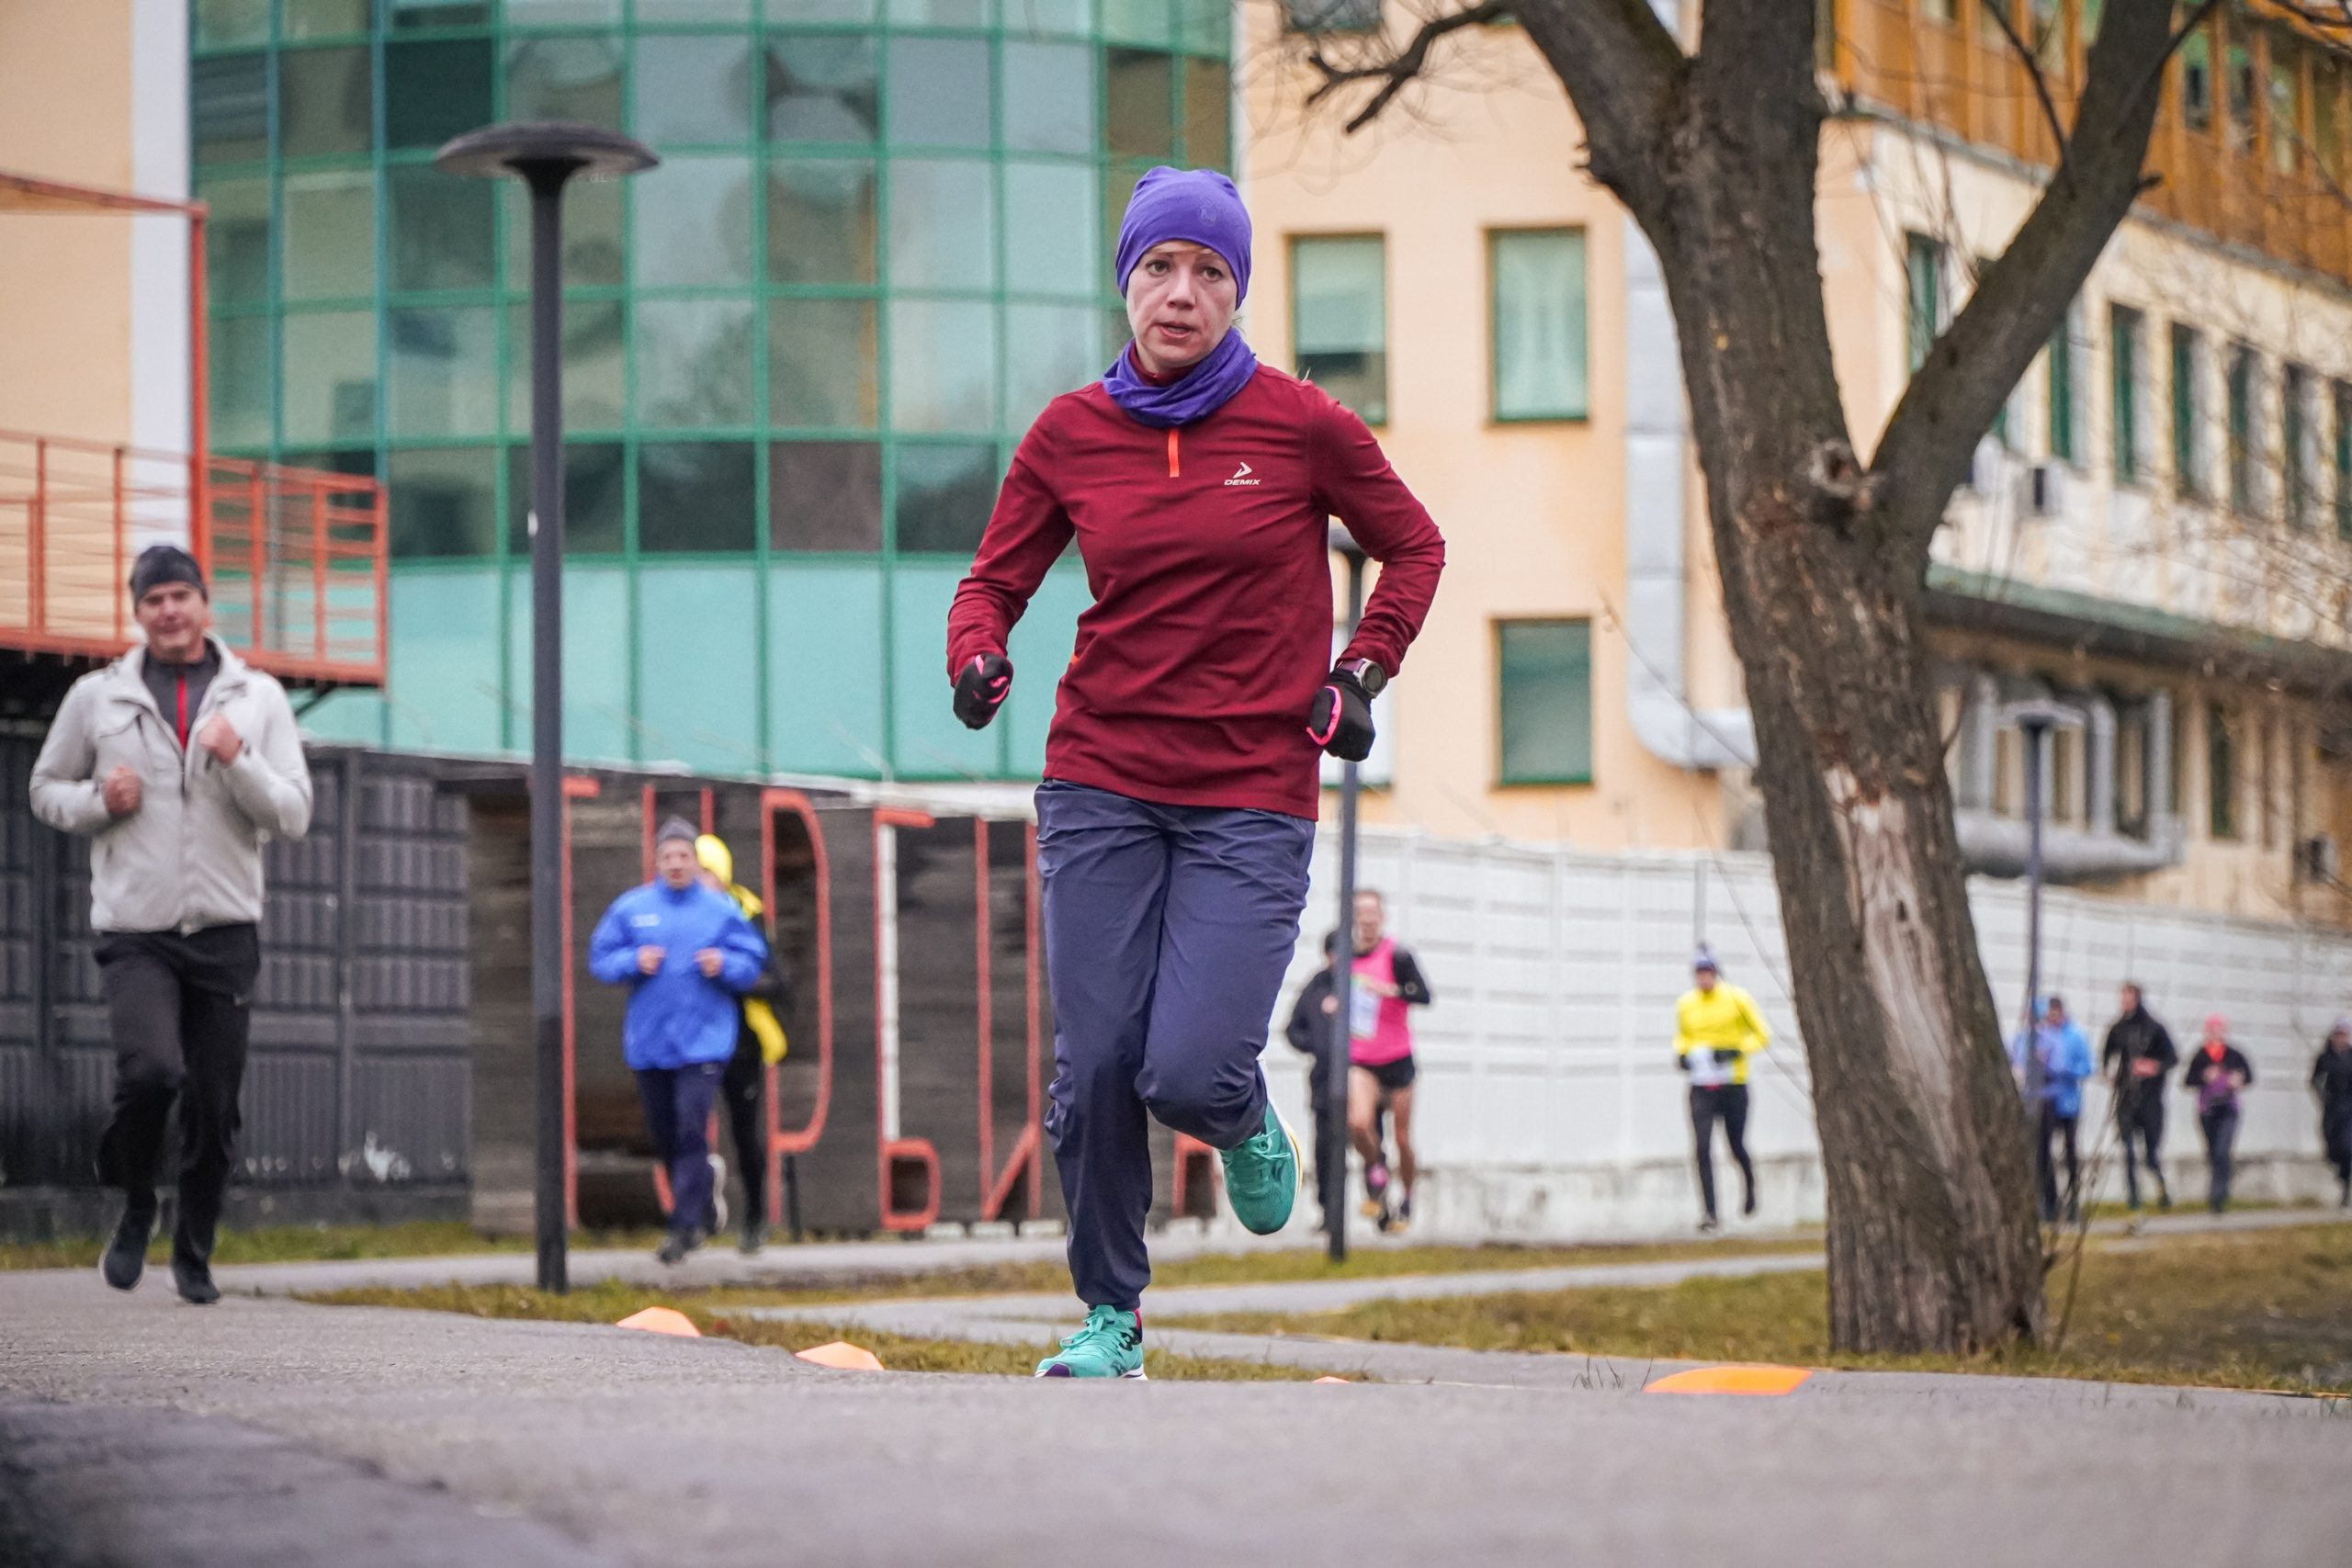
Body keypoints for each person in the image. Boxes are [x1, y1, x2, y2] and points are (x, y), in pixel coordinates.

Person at [946, 166, 1445, 1377]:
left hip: (1249, 789)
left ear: (1239, 290)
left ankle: (1241, 1115)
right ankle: (1111, 1314)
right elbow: (994, 579)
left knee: (1188, 1065)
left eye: (1210, 271)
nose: (1182, 292)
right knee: (1098, 1062)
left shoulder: (1301, 424)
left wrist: (1361, 670)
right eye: (1160, 267)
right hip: (1101, 775)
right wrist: (978, 650)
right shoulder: (1069, 432)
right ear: (1128, 280)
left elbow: (1414, 544)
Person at [29, 544, 313, 1305]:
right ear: (137, 611)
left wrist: (241, 759)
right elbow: (44, 786)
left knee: (215, 1106)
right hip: (136, 928)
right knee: (153, 1072)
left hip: (224, 927)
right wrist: (97, 800)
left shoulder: (258, 697)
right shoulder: (99, 697)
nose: (168, 610)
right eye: (153, 599)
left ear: (203, 604)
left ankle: (194, 1250)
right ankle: (132, 1199)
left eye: (180, 595)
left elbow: (293, 813)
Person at [588, 818, 770, 1265]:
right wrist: (633, 959)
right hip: (650, 1042)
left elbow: (754, 960)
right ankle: (701, 1202)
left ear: (695, 861)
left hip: (705, 1043)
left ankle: (682, 1226)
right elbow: (600, 958)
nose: (676, 864)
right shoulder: (633, 908)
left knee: (692, 1126)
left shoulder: (720, 910)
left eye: (684, 856)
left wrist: (724, 964)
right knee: (665, 1135)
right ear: (656, 861)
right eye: (667, 856)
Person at [695, 833, 793, 1254]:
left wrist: (732, 973)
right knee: (687, 1131)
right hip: (692, 1039)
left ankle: (755, 1217)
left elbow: (777, 981)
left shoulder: (746, 913)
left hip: (741, 1041)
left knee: (744, 1132)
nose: (696, 882)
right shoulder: (670, 913)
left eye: (704, 873)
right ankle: (696, 1215)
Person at [1344, 889, 1432, 1232]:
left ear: (1382, 917)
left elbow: (1424, 996)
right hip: (1362, 1059)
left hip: (1398, 1058)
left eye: (1372, 913)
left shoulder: (1398, 955)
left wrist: (1389, 991)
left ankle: (1407, 1196)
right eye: (1360, 913)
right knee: (1357, 1124)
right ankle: (1376, 1168)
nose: (1366, 920)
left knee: (1402, 1139)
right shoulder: (1346, 957)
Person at [1672, 948, 1770, 1232]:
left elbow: (1762, 1035)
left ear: (1716, 974)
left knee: (1734, 1145)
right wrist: (1681, 1056)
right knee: (1702, 1148)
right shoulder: (1686, 1004)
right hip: (1702, 1086)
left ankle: (1750, 1186)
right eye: (1699, 974)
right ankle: (1710, 1213)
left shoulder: (1737, 999)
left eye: (1708, 973)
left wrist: (1736, 1051)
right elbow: (1683, 1037)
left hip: (1733, 1084)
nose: (1703, 978)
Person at [2008, 996, 2095, 1222]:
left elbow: (2073, 1066)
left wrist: (2046, 1068)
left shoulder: (2061, 1038)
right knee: (2041, 1155)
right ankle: (2046, 1205)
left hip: (2062, 1105)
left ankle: (2071, 1202)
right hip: (2035, 1104)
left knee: (2068, 1154)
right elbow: (2013, 1063)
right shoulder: (2021, 1039)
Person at [2101, 982, 2177, 1211]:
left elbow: (2172, 1058)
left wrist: (2152, 1067)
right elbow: (2107, 1053)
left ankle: (2162, 1188)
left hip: (2150, 1099)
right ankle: (2133, 1197)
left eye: (2128, 997)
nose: (2124, 1002)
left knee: (2150, 1154)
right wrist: (2109, 1074)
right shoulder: (2117, 1028)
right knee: (2128, 1151)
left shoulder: (2154, 1027)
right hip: (2126, 1098)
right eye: (2121, 997)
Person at [2182, 1013, 2254, 1214]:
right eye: (2211, 1029)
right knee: (2213, 1153)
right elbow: (2188, 1080)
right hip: (2207, 1111)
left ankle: (2218, 1196)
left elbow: (2249, 1076)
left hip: (2228, 1109)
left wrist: (2238, 1080)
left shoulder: (2234, 1054)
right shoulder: (2201, 1055)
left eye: (2218, 1029)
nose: (2214, 1033)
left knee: (2223, 1150)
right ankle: (2220, 1188)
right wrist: (2204, 1077)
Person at [2311, 1017, 2352, 1208]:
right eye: (2338, 1034)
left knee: (2347, 1146)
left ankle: (2345, 1183)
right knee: (2331, 1148)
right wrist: (2322, 1097)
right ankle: (2341, 1173)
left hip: (2349, 1109)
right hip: (2331, 1108)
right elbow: (2314, 1080)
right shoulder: (2325, 1057)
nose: (2340, 1038)